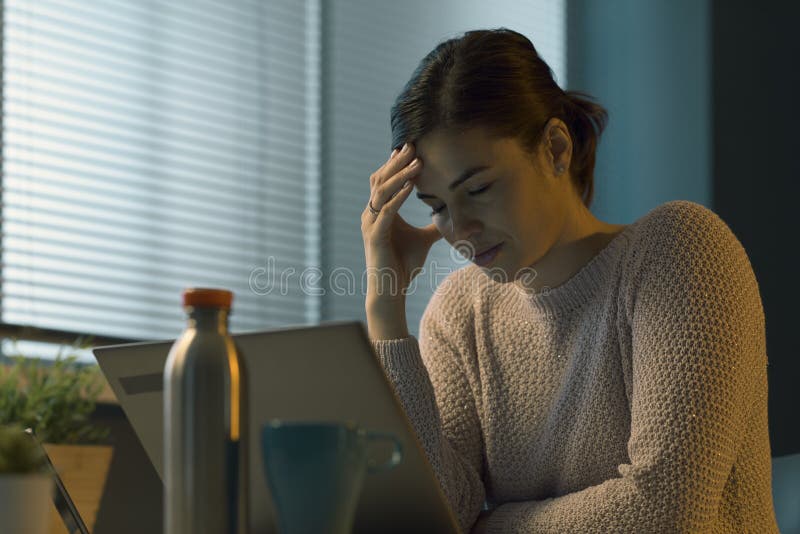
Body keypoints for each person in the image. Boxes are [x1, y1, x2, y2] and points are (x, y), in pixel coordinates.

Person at [360, 28, 778, 533]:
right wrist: (385, 309)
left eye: (479, 188)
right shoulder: (459, 314)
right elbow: (435, 517)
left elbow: (665, 513)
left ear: (556, 147)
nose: (459, 229)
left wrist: (487, 526)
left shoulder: (679, 252)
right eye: (437, 207)